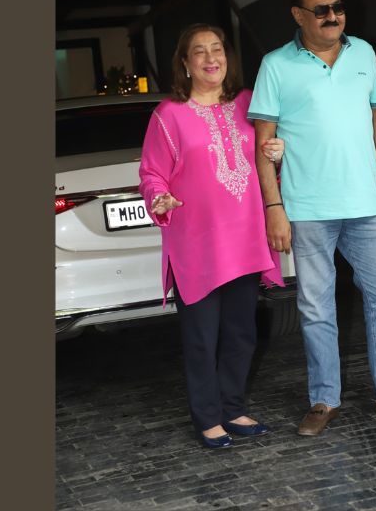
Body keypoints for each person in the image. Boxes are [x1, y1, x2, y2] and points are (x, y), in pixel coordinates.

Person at [248, 0, 376, 437]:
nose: (332, 16)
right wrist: (273, 205)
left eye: (337, 7)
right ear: (298, 16)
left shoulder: (364, 53)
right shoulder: (275, 65)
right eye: (321, 10)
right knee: (316, 307)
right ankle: (323, 400)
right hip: (307, 207)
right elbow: (262, 142)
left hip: (365, 203)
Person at [138, 23, 285, 449]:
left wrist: (278, 153)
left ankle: (232, 408)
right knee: (202, 337)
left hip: (245, 238)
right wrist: (159, 196)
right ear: (185, 63)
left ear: (226, 57)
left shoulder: (248, 103)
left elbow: (267, 155)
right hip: (197, 243)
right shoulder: (169, 115)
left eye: (216, 49)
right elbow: (151, 172)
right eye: (199, 51)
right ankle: (207, 417)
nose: (210, 58)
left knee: (242, 331)